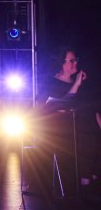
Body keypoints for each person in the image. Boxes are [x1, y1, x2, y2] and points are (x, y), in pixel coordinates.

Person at [40, 46, 101, 187]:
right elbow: (59, 104)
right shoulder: (52, 82)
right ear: (62, 63)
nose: (75, 63)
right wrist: (77, 84)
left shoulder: (78, 82)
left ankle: (90, 173)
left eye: (76, 60)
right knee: (87, 128)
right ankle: (86, 175)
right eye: (72, 61)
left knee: (91, 122)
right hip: (60, 127)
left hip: (80, 122)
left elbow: (89, 106)